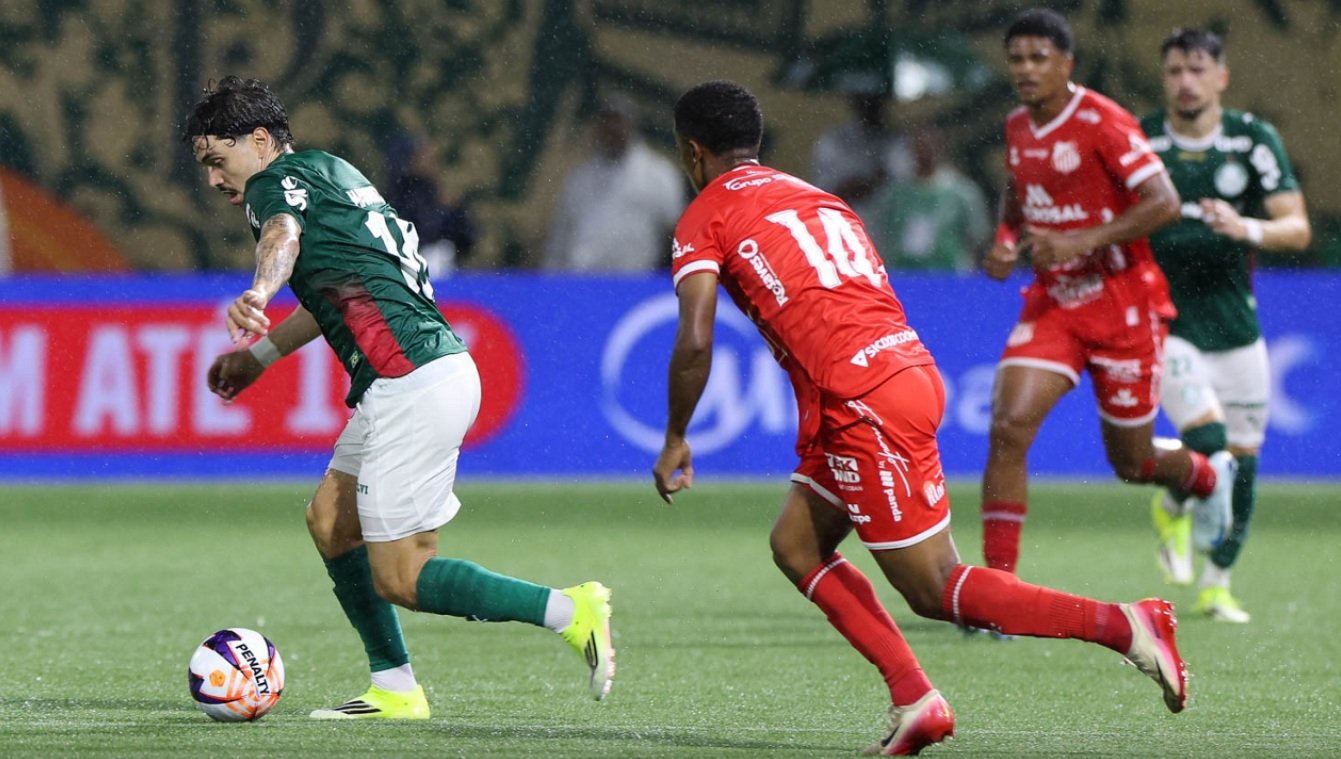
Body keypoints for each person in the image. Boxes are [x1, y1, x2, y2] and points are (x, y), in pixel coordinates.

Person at [653, 79, 1187, 757]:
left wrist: (676, 436)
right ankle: (915, 699)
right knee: (796, 543)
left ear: (692, 152)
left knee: (935, 588)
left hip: (861, 400)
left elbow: (695, 339)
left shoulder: (703, 216)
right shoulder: (819, 197)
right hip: (900, 368)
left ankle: (1125, 624)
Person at [186, 76, 615, 719]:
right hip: (415, 374)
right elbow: (333, 287)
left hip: (411, 379)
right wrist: (261, 355)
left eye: (217, 161)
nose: (215, 180)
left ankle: (570, 611)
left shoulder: (274, 185)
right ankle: (395, 686)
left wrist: (258, 294)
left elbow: (281, 237)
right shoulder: (333, 172)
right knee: (331, 522)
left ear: (259, 140)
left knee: (403, 576)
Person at [979, 8, 1235, 580]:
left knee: (1133, 462)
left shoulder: (1103, 120)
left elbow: (1164, 202)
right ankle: (996, 587)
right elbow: (1017, 190)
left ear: (1066, 63)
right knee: (1008, 426)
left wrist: (1081, 240)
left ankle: (1205, 476)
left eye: (1038, 57)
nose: (1025, 68)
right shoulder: (1019, 125)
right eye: (1016, 58)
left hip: (1124, 304)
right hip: (1056, 305)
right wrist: (1004, 240)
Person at [1141, 28, 1311, 622]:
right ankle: (1173, 497)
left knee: (1245, 461)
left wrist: (1248, 227)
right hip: (1168, 323)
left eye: (1196, 69)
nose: (1185, 81)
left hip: (1237, 327)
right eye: (1174, 71)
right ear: (1164, 78)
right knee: (1210, 442)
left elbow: (1297, 226)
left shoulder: (1251, 140)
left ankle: (1217, 583)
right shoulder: (1140, 141)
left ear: (1221, 77)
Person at [543, 93, 685, 271]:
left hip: (634, 281)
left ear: (631, 125)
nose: (612, 129)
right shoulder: (580, 178)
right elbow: (561, 236)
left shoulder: (659, 174)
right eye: (606, 122)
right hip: (581, 280)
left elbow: (675, 233)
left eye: (617, 122)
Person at [871, 125, 991, 272]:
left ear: (941, 148)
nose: (925, 151)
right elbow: (878, 233)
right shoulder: (895, 194)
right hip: (902, 277)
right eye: (920, 145)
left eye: (930, 146)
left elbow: (978, 236)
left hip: (950, 277)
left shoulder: (961, 192)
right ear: (911, 149)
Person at [810, 91, 913, 230]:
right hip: (843, 227)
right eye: (864, 101)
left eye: (875, 102)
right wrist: (865, 183)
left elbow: (905, 186)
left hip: (887, 230)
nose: (870, 107)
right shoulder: (835, 140)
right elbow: (826, 193)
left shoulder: (897, 141)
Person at [383, 131, 477, 277]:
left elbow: (466, 236)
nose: (431, 162)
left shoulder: (435, 190)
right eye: (424, 156)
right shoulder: (405, 192)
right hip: (414, 260)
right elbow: (421, 227)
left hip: (439, 260)